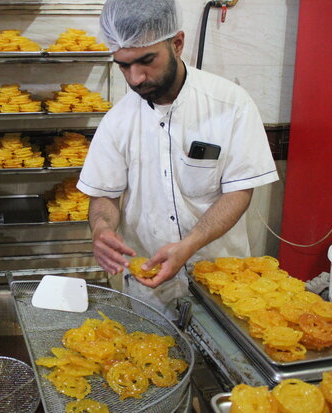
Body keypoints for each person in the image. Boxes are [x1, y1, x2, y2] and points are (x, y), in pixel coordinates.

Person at [77, 0, 279, 319]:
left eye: (146, 61)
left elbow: (239, 191)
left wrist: (190, 244)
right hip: (150, 289)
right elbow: (104, 195)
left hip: (222, 282)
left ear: (177, 43)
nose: (135, 78)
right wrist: (101, 228)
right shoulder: (117, 121)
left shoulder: (230, 104)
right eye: (123, 65)